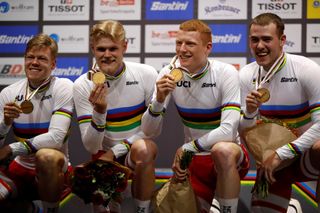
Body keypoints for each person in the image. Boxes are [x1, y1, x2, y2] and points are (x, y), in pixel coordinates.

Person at [141, 19, 250, 213]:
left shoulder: (226, 73)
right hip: (193, 162)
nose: (182, 49)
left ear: (208, 48)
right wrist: (158, 99)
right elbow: (149, 130)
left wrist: (188, 148)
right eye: (178, 43)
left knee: (222, 150)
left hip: (227, 157)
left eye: (190, 44)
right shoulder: (168, 73)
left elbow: (228, 130)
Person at [73, 20, 158, 213]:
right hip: (102, 158)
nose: (107, 55)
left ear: (125, 46)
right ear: (92, 48)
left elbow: (151, 131)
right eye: (101, 49)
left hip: (133, 153)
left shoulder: (146, 74)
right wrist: (100, 111)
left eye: (113, 48)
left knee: (145, 148)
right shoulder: (82, 85)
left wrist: (116, 151)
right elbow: (92, 146)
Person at [239, 12, 320, 212]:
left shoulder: (305, 69)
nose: (259, 46)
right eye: (254, 39)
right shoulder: (245, 75)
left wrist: (283, 153)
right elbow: (243, 132)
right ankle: (290, 208)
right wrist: (249, 113)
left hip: (304, 155)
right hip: (272, 163)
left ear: (282, 40)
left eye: (267, 39)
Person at [0, 33, 73, 213]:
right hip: (20, 167)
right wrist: (6, 122)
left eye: (42, 58)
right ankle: (34, 208)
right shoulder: (9, 93)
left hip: (55, 166)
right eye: (30, 57)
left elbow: (56, 138)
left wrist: (11, 149)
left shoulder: (62, 87)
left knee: (46, 155)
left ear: (53, 64)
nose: (34, 62)